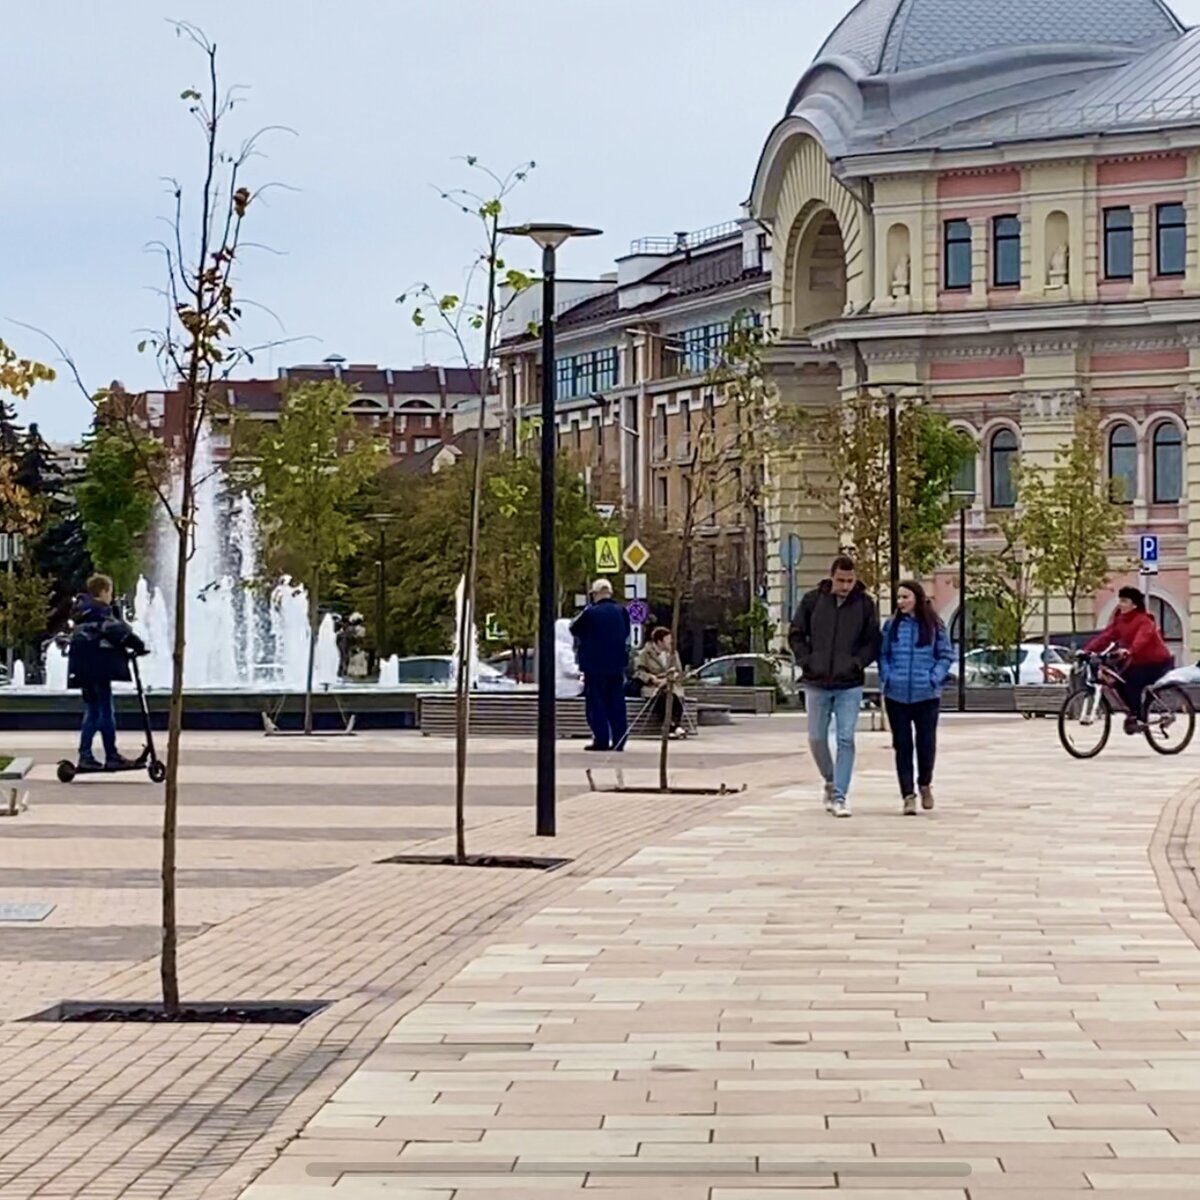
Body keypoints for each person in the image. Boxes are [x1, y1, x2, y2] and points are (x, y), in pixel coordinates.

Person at [788, 555, 881, 818]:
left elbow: (872, 641)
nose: (845, 586)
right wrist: (806, 660)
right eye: (841, 580)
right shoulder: (813, 601)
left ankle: (840, 795)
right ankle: (830, 779)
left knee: (845, 738)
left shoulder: (864, 604)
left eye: (850, 581)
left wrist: (857, 663)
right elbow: (796, 633)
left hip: (848, 683)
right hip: (816, 681)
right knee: (817, 737)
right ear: (832, 577)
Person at [879, 580, 954, 816]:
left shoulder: (933, 625)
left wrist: (935, 677)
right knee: (902, 745)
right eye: (898, 597)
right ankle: (907, 794)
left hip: (926, 695)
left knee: (926, 743)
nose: (900, 602)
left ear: (916, 599)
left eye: (905, 597)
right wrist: (888, 676)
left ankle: (924, 783)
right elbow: (883, 655)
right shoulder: (891, 626)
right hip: (896, 695)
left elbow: (945, 655)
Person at [66, 574, 147, 770]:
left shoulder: (82, 610)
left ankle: (85, 755)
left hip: (83, 668)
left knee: (93, 711)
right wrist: (138, 645)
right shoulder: (99, 610)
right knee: (105, 711)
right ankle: (111, 755)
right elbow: (117, 631)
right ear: (103, 592)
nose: (110, 596)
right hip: (98, 667)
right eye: (109, 592)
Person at [1084, 586, 1174, 731]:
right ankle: (1134, 713)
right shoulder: (1121, 621)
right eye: (1120, 600)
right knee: (1117, 681)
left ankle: (1138, 717)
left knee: (1133, 683)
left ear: (1134, 604)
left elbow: (1142, 639)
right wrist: (1087, 650)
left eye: (1125, 601)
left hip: (1157, 663)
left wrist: (1129, 650)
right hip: (1135, 662)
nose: (1120, 604)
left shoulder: (1145, 620)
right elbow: (1106, 637)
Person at [570, 578, 632, 752]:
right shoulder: (621, 611)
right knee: (617, 704)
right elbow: (626, 632)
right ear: (610, 593)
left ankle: (602, 739)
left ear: (595, 594)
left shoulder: (590, 613)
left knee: (597, 704)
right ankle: (619, 740)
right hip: (617, 666)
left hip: (594, 667)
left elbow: (574, 628)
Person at [635, 626, 687, 738]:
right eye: (668, 640)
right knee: (662, 699)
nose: (670, 642)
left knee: (675, 700)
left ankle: (674, 726)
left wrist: (671, 678)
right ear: (659, 641)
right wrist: (652, 679)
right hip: (653, 685)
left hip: (670, 684)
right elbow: (639, 672)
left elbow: (678, 670)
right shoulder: (645, 653)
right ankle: (672, 727)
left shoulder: (673, 653)